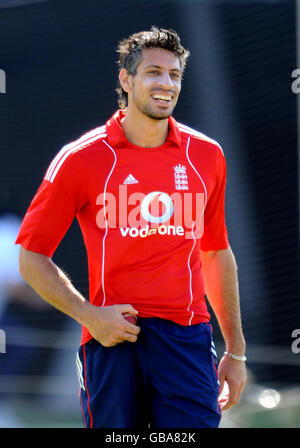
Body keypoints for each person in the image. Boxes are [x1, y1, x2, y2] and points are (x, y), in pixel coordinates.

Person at [16, 27, 247, 428]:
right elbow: (31, 256)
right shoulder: (80, 158)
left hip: (187, 339)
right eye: (154, 72)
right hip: (113, 339)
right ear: (127, 79)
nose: (166, 84)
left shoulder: (207, 155)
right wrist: (90, 315)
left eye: (174, 75)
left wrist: (236, 352)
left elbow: (215, 252)